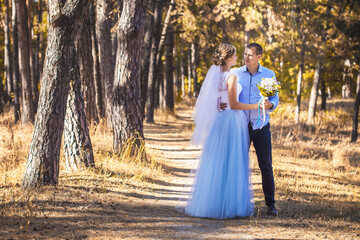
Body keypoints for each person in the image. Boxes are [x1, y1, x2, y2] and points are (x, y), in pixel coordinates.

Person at [179, 43, 259, 219]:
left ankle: (213, 203)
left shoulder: (217, 75)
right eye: (236, 56)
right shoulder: (231, 77)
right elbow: (233, 104)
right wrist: (256, 106)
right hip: (232, 119)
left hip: (221, 119)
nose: (238, 58)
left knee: (219, 160)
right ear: (229, 58)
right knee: (233, 161)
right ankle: (231, 205)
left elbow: (217, 101)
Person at [229, 43, 279, 216]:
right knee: (238, 165)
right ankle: (237, 204)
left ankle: (270, 204)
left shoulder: (268, 75)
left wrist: (271, 104)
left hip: (261, 125)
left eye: (250, 55)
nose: (246, 58)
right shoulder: (235, 73)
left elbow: (274, 97)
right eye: (245, 54)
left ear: (259, 57)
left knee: (266, 166)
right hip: (240, 127)